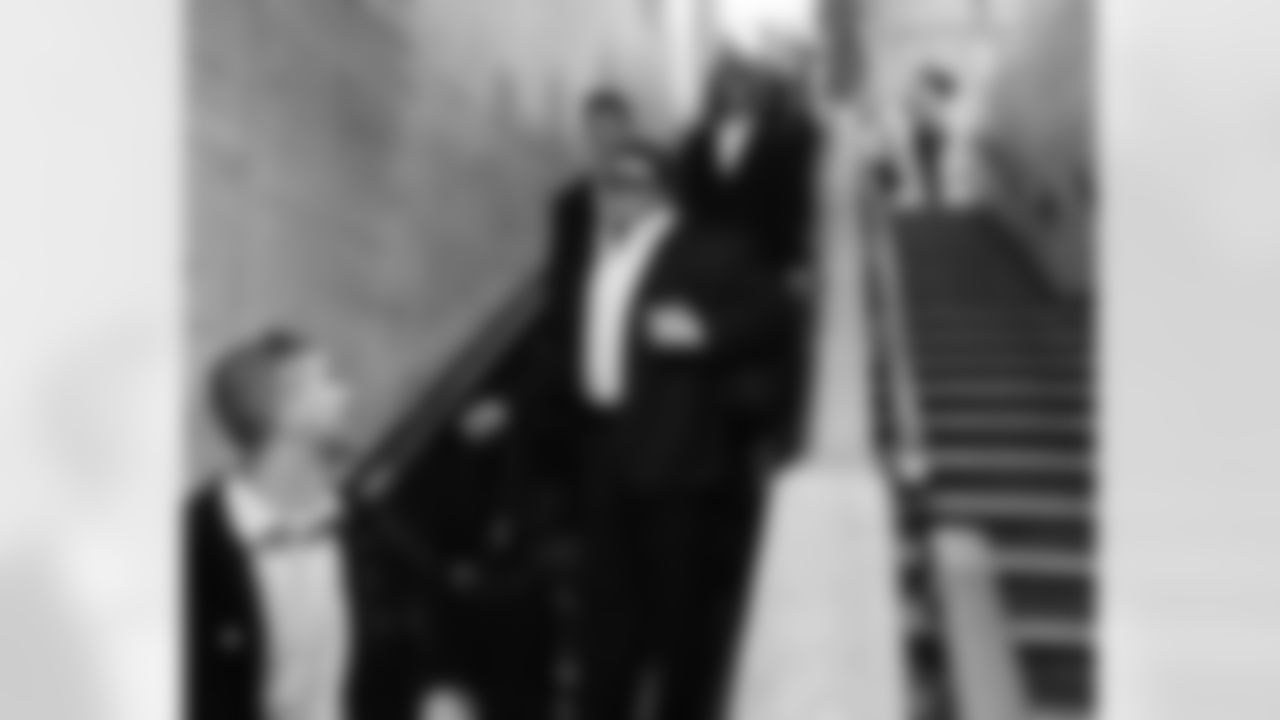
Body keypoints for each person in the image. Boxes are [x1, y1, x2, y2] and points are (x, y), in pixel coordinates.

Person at [531, 143, 789, 720]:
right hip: (601, 446)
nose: (614, 194)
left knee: (679, 616)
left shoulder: (710, 249)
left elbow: (773, 313)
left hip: (676, 455)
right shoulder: (595, 253)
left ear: (662, 191)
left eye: (630, 182)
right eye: (607, 182)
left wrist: (707, 333)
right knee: (605, 610)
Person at [186, 330, 445, 720]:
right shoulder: (192, 545)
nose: (346, 396)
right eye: (328, 380)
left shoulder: (373, 532)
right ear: (287, 411)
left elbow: (416, 658)